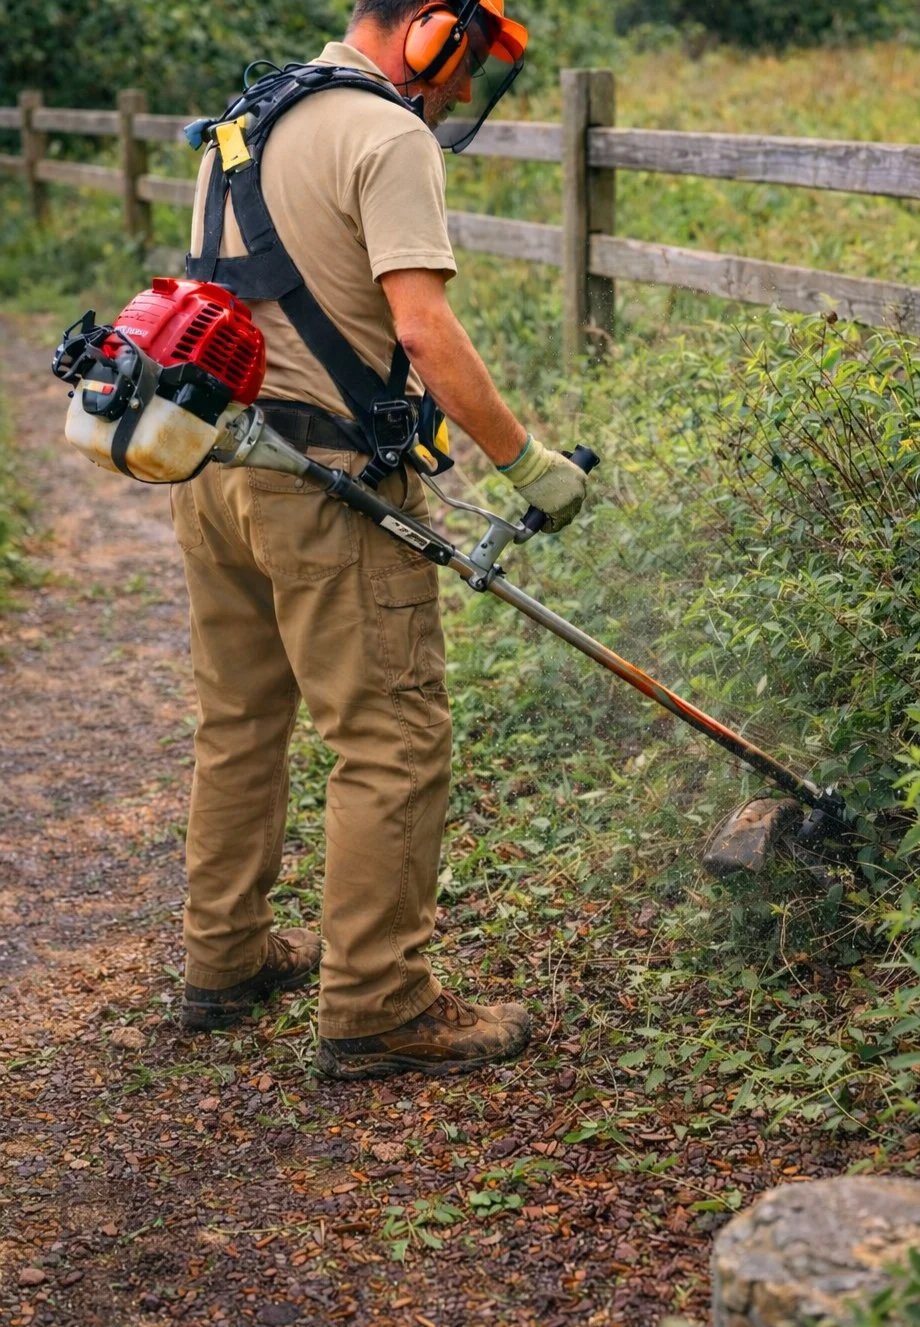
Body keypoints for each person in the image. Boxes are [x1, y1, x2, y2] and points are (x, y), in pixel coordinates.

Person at [172, 0, 587, 1079]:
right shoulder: (386, 131)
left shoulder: (247, 119)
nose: (458, 92)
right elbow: (421, 326)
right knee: (392, 739)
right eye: (466, 65)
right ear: (431, 31)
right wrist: (527, 463)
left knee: (241, 719)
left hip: (216, 468)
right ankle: (377, 1005)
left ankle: (223, 956)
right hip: (326, 488)